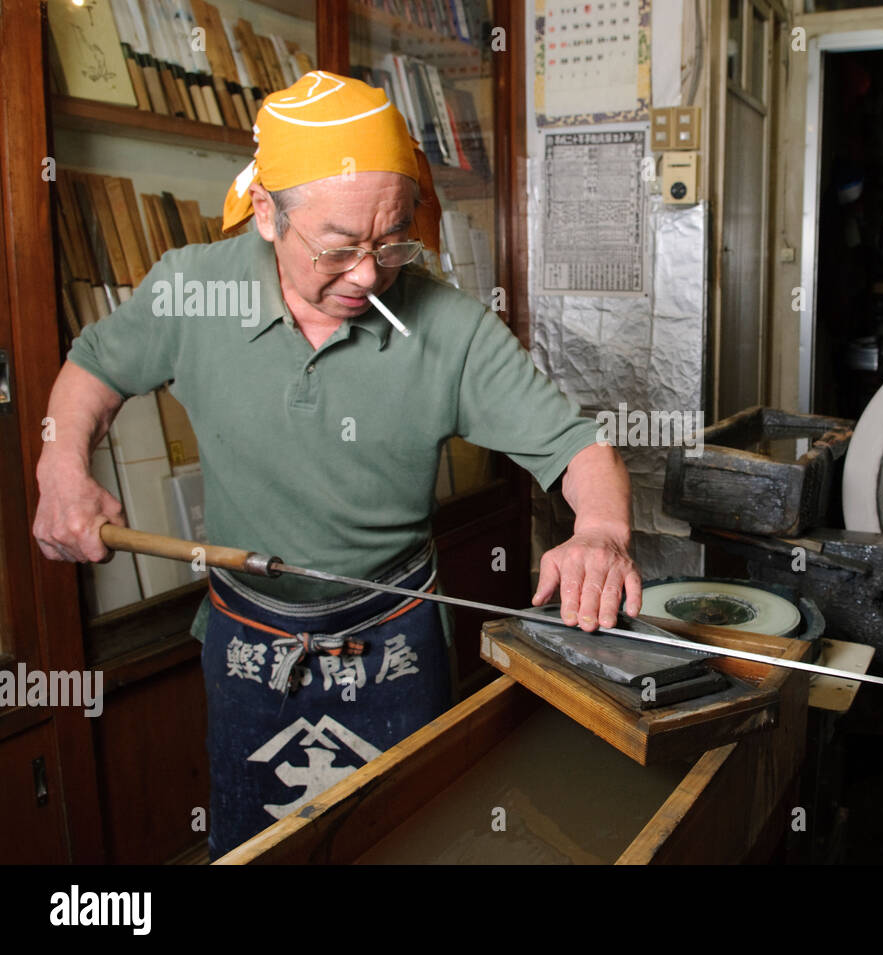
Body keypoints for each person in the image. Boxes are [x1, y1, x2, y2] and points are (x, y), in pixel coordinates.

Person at [32, 71, 641, 857]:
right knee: (256, 846)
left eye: (391, 242)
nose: (367, 275)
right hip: (250, 631)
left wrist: (601, 528)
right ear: (265, 214)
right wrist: (60, 465)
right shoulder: (193, 289)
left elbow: (578, 446)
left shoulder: (446, 328)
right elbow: (93, 371)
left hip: (392, 634)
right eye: (340, 247)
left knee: (407, 836)